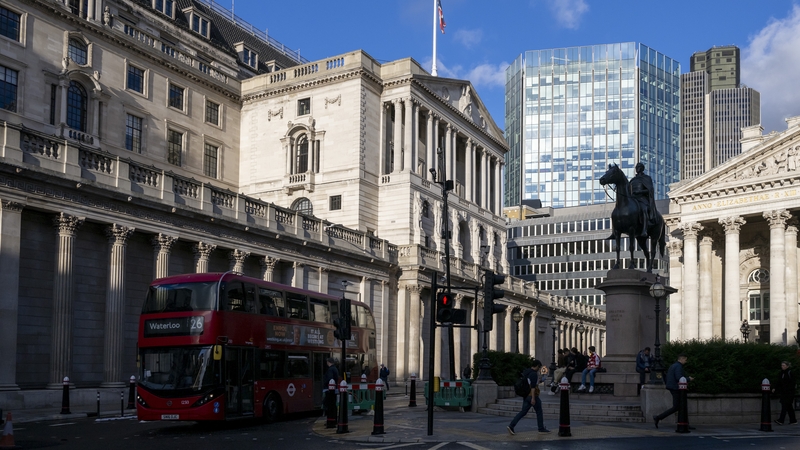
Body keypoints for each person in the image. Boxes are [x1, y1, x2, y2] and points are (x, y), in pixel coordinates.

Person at [507, 359, 549, 435]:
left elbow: (530, 382)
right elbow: (533, 387)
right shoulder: (533, 374)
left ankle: (511, 425)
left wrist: (539, 381)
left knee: (523, 412)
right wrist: (533, 398)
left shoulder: (527, 371)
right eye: (539, 367)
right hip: (532, 395)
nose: (539, 369)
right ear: (536, 366)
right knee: (539, 411)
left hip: (526, 394)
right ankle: (541, 428)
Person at [653, 354, 693, 428]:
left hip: (673, 387)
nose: (686, 361)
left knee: (679, 406)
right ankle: (658, 417)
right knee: (678, 406)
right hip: (676, 388)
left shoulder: (673, 366)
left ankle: (685, 423)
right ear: (682, 359)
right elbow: (679, 378)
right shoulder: (678, 367)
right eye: (685, 359)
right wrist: (688, 379)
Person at [629, 162, 656, 237]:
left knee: (644, 209)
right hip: (633, 199)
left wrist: (640, 191)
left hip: (642, 198)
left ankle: (644, 229)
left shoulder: (646, 178)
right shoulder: (632, 180)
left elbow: (650, 190)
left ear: (642, 168)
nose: (637, 168)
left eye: (639, 167)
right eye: (636, 167)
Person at [773, 361, 797, 425]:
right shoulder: (781, 373)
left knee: (785, 405)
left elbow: (793, 382)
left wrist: (789, 389)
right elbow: (779, 382)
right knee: (789, 407)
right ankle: (793, 420)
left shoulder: (790, 373)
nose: (782, 367)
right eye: (782, 365)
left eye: (783, 365)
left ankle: (781, 420)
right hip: (784, 392)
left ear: (787, 366)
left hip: (789, 392)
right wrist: (775, 388)